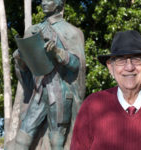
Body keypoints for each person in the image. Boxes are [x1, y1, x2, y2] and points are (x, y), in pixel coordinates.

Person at [5, 0, 85, 150]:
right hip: (38, 94)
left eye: (49, 0)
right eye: (42, 0)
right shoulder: (33, 30)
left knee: (57, 143)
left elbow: (76, 66)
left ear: (59, 3)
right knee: (22, 140)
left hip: (60, 93)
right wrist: (20, 59)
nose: (44, 3)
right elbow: (25, 71)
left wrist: (57, 52)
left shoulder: (72, 32)